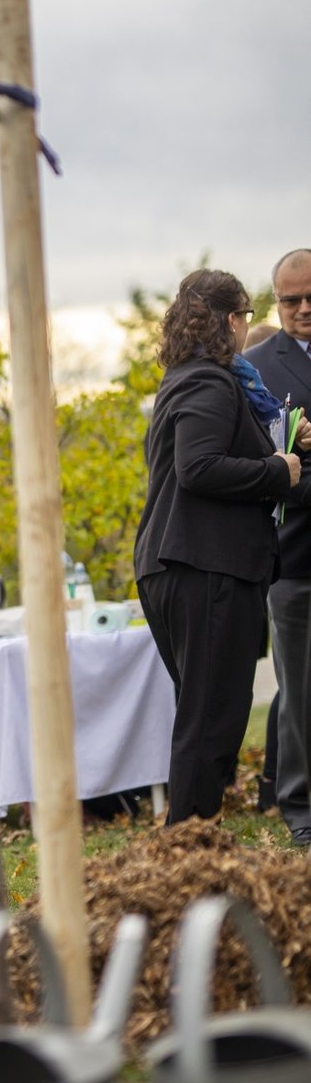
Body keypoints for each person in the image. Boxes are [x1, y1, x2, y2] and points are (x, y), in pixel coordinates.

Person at [134, 269, 309, 824]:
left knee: (210, 719)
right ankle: (187, 860)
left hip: (188, 566)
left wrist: (283, 442)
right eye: (245, 317)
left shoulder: (191, 377)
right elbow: (199, 468)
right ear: (233, 320)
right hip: (203, 568)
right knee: (210, 725)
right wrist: (277, 469)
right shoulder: (208, 381)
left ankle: (194, 852)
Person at [245, 249, 311, 844]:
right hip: (295, 553)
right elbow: (257, 462)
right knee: (299, 688)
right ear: (276, 301)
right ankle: (299, 808)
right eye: (291, 300)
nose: (304, 309)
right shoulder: (257, 366)